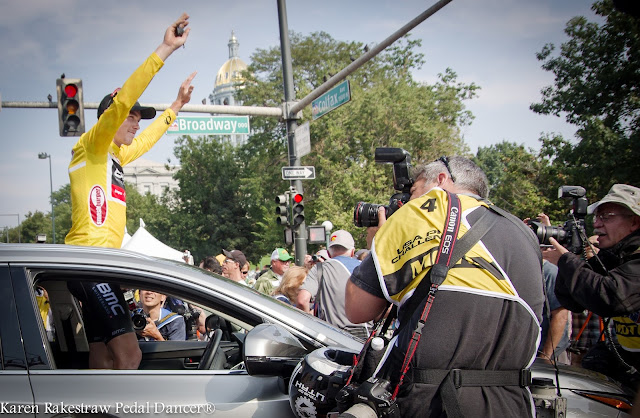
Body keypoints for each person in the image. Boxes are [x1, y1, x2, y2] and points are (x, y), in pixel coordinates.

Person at [345, 156, 544, 416]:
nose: (407, 202)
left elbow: (357, 309)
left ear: (440, 181)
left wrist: (378, 244)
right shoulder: (523, 231)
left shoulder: (427, 209)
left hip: (432, 402)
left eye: (413, 191)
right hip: (511, 402)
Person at [64, 13, 194, 370]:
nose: (137, 124)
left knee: (102, 354)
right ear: (111, 118)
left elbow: (150, 140)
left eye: (139, 119)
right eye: (132, 117)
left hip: (94, 266)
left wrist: (176, 107)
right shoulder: (93, 144)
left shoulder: (115, 155)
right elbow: (124, 101)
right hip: (90, 264)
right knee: (130, 353)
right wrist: (165, 49)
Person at [545, 184, 640, 388]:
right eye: (596, 217)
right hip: (627, 356)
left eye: (606, 216)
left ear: (634, 221)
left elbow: (609, 297)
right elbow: (573, 300)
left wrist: (567, 261)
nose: (596, 224)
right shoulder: (614, 256)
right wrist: (570, 254)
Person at [297, 230, 373, 339]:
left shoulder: (320, 269)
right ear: (352, 252)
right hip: (364, 336)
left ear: (328, 253)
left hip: (333, 337)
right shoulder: (366, 268)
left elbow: (302, 300)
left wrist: (311, 327)